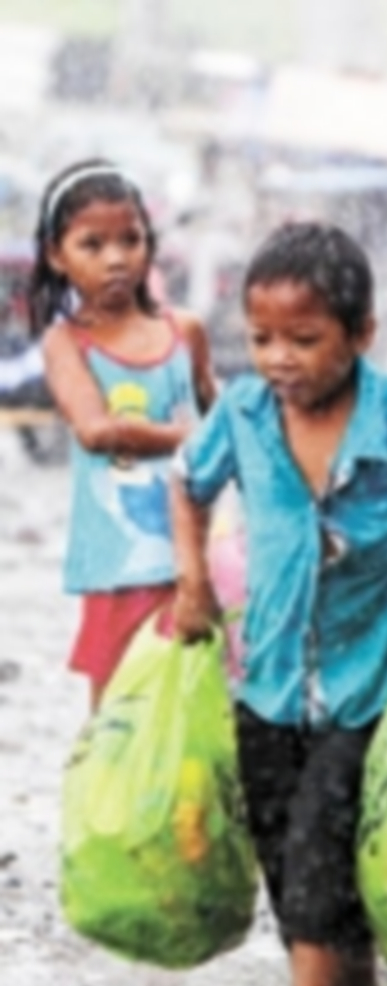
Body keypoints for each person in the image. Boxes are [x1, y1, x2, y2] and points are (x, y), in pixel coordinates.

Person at [170, 221, 387, 986]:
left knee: (321, 857)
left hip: (370, 688)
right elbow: (188, 483)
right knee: (294, 877)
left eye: (304, 338)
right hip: (267, 684)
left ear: (361, 335)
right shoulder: (247, 412)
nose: (279, 357)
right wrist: (191, 579)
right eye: (261, 338)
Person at [28, 159, 216, 711]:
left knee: (197, 703)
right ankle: (108, 799)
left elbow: (226, 424)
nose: (116, 258)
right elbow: (94, 430)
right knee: (117, 711)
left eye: (130, 239)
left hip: (198, 557)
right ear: (56, 257)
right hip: (119, 561)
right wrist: (188, 439)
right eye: (93, 244)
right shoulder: (67, 343)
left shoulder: (185, 332)